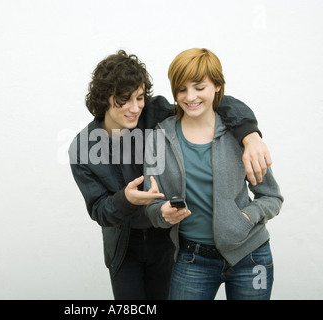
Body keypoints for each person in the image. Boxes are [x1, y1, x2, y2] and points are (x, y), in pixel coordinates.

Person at [69, 50, 271, 300]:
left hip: (167, 240)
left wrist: (250, 135)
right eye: (124, 100)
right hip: (124, 245)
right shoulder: (82, 149)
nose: (135, 108)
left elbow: (212, 103)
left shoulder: (152, 113)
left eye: (140, 97)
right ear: (103, 99)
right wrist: (127, 199)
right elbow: (99, 210)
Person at [144, 48, 284, 300]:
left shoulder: (240, 135)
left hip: (251, 257)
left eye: (199, 87)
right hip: (191, 260)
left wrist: (245, 217)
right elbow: (152, 204)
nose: (190, 97)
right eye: (182, 89)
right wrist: (162, 213)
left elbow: (271, 198)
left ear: (217, 86)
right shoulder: (158, 138)